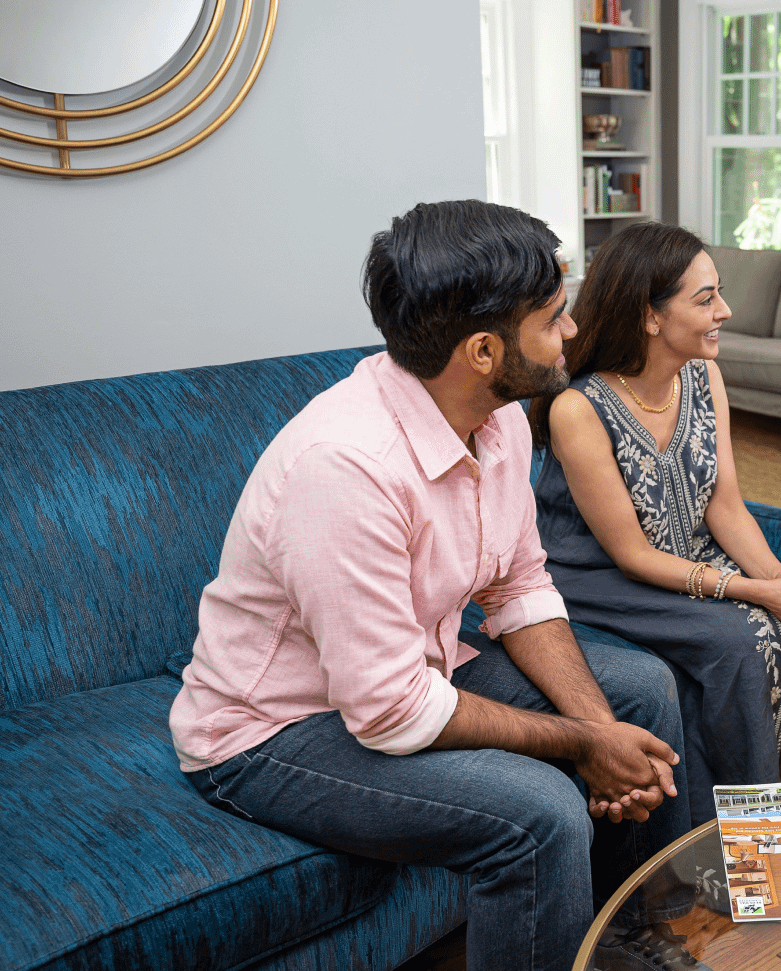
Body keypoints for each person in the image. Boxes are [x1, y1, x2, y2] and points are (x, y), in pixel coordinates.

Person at [169, 201, 697, 971]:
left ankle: (625, 944)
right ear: (484, 350)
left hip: (415, 671)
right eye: (553, 318)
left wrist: (604, 730)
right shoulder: (346, 467)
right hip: (271, 731)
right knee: (543, 815)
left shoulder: (500, 416)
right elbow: (388, 712)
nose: (573, 332)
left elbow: (519, 587)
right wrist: (586, 742)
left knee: (641, 691)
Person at [529, 222, 781, 823]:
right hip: (599, 577)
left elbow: (725, 505)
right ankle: (739, 841)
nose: (724, 311)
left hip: (689, 557)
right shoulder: (579, 407)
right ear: (650, 316)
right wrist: (752, 592)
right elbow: (631, 553)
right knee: (742, 641)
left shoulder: (703, 376)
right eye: (705, 300)